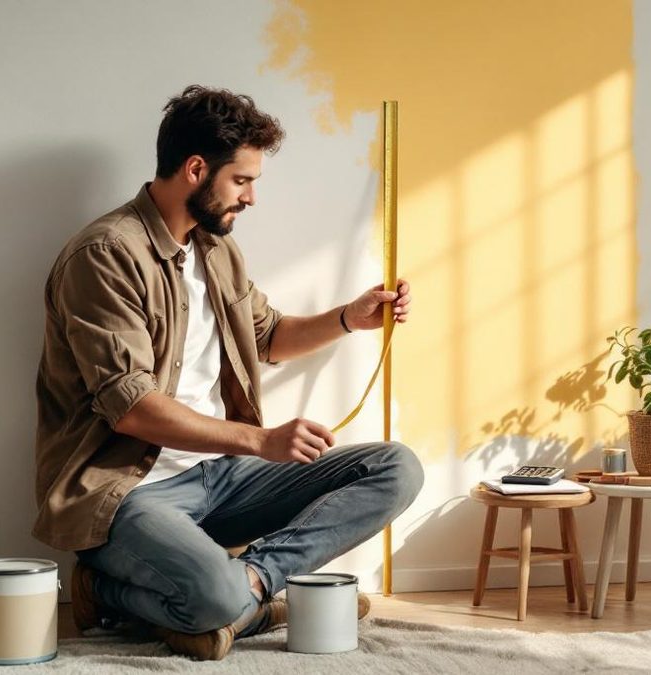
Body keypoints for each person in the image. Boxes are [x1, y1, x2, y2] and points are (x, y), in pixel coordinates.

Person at [32, 85, 424, 660]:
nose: (252, 197)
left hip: (221, 478)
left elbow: (268, 336)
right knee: (213, 597)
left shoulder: (215, 249)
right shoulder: (105, 254)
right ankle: (115, 591)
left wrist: (350, 317)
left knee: (395, 468)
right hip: (128, 492)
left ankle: (253, 584)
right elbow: (132, 408)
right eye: (242, 180)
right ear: (196, 170)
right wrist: (260, 441)